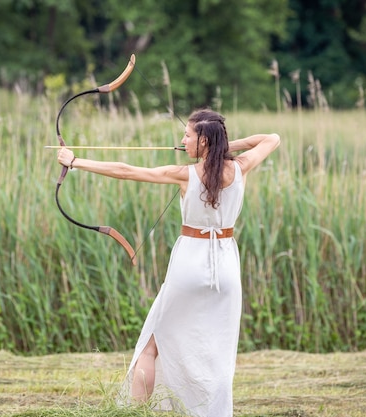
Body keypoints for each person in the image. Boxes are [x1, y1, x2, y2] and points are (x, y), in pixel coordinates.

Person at [57, 109, 280, 416]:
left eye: (188, 135)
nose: (182, 139)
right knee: (216, 351)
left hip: (190, 264)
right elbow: (272, 138)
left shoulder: (184, 174)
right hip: (226, 267)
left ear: (203, 140)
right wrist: (220, 149)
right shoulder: (241, 166)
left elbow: (125, 171)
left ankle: (133, 413)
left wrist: (75, 161)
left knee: (151, 347)